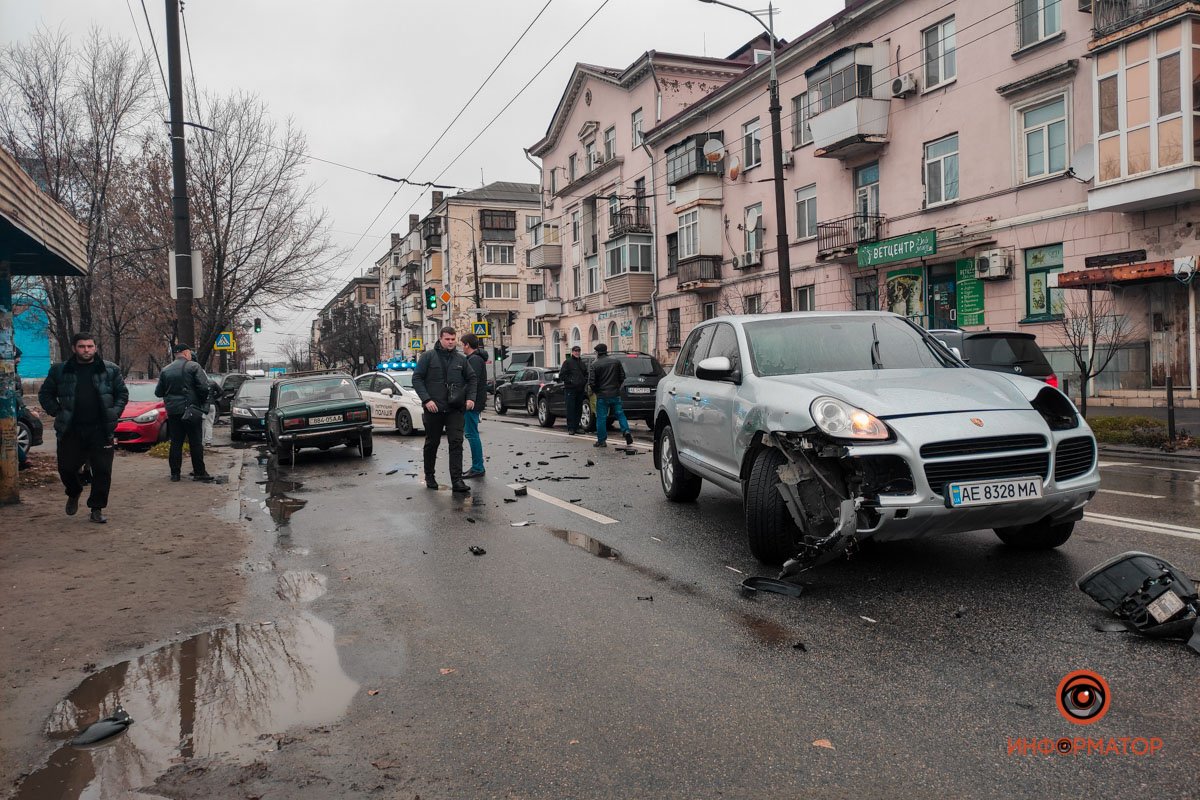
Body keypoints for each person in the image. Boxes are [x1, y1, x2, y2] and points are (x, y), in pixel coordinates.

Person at [38, 332, 128, 523]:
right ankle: (74, 490)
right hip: (71, 430)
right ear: (74, 348)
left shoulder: (110, 370)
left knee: (102, 471)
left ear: (95, 347)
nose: (86, 350)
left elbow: (122, 393)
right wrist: (57, 411)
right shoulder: (60, 370)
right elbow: (45, 394)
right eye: (82, 346)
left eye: (89, 346)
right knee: (66, 469)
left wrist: (114, 412)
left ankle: (97, 508)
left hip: (100, 430)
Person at [412, 327, 477, 493]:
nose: (450, 342)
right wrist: (426, 400)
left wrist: (470, 398)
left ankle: (457, 481)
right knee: (432, 443)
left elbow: (472, 379)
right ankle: (430, 476)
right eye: (447, 339)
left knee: (456, 443)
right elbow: (417, 378)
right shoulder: (428, 357)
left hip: (454, 409)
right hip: (434, 409)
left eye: (453, 339)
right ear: (440, 338)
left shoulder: (461, 359)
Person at [155, 343, 214, 482]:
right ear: (187, 353)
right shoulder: (194, 366)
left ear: (176, 354)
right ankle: (199, 472)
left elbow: (158, 392)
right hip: (191, 410)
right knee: (195, 442)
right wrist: (199, 401)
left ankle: (175, 474)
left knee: (176, 442)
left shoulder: (165, 370)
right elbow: (204, 388)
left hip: (173, 411)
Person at [587, 343, 633, 449]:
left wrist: (597, 392)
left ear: (598, 353)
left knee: (601, 418)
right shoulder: (615, 361)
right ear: (606, 351)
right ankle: (626, 431)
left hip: (602, 395)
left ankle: (601, 440)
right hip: (615, 394)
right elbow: (622, 376)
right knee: (620, 414)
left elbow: (592, 382)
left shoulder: (594, 364)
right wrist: (617, 387)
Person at [460, 332, 488, 478]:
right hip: (474, 400)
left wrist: (463, 397)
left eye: (462, 344)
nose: (461, 347)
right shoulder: (474, 358)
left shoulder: (474, 360)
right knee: (471, 433)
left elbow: (472, 381)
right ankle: (477, 466)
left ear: (467, 345)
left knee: (471, 434)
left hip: (472, 402)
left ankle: (478, 467)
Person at [558, 344, 587, 435]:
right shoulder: (568, 362)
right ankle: (571, 428)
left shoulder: (582, 363)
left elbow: (586, 373)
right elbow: (562, 375)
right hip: (570, 389)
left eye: (578, 351)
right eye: (575, 351)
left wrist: (584, 381)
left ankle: (577, 426)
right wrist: (570, 381)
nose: (577, 353)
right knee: (570, 408)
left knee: (578, 409)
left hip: (580, 389)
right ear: (572, 352)